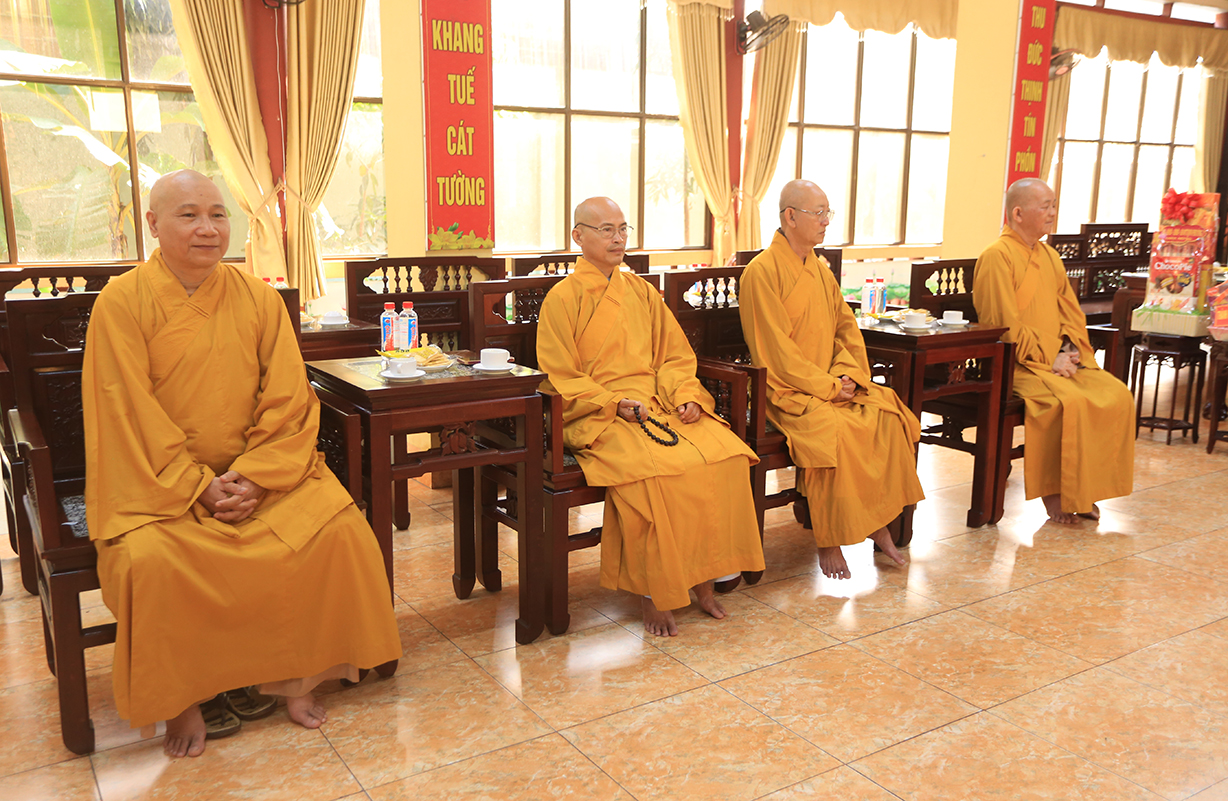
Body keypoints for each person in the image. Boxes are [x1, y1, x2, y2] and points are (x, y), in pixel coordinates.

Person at [83, 170, 401, 758]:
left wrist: (256, 474)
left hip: (262, 471)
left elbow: (289, 396)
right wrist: (197, 485)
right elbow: (124, 408)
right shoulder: (121, 303)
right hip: (158, 481)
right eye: (188, 215)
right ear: (153, 224)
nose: (207, 228)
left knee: (336, 531)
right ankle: (185, 698)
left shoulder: (257, 297)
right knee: (150, 562)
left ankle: (297, 681)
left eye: (217, 214)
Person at [536, 197, 765, 636]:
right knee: (654, 473)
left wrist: (686, 394)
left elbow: (674, 355)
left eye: (623, 228)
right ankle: (655, 591)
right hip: (598, 413)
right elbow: (560, 375)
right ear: (578, 236)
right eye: (606, 229)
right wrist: (612, 402)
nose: (618, 238)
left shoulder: (640, 291)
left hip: (656, 405)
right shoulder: (562, 299)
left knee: (726, 454)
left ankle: (704, 579)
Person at [738, 180, 924, 580]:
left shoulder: (820, 271)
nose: (826, 221)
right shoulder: (761, 273)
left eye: (828, 213)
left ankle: (876, 522)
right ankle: (829, 537)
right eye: (818, 213)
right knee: (831, 429)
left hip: (831, 383)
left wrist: (848, 375)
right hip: (785, 390)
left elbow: (846, 329)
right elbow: (775, 351)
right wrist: (827, 387)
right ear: (790, 217)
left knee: (886, 415)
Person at [973, 178, 1134, 523]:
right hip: (1017, 363)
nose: (1052, 213)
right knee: (1065, 402)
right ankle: (1055, 493)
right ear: (1018, 213)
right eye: (1045, 206)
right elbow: (1001, 325)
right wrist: (1050, 357)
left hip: (1056, 358)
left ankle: (1083, 489)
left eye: (1054, 205)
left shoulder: (1049, 256)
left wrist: (1071, 350)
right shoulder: (997, 257)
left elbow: (1070, 312)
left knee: (1115, 394)